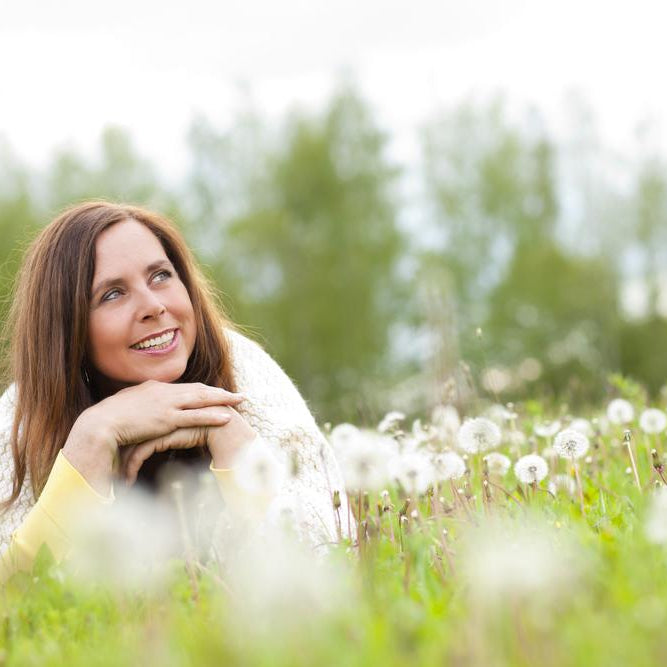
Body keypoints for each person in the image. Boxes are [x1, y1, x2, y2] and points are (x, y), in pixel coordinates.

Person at [0, 201, 349, 582]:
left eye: (160, 276)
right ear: (68, 333)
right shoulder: (22, 416)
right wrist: (92, 437)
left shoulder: (244, 371)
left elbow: (324, 560)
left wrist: (228, 433)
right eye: (113, 294)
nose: (153, 306)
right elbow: (15, 602)